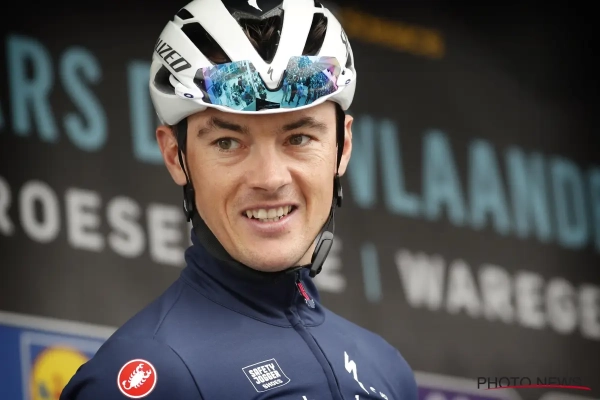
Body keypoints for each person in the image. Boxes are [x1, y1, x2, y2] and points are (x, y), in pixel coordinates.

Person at [60, 0, 417, 399]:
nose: (270, 179)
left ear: (343, 146)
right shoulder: (147, 376)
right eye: (227, 142)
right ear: (175, 157)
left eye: (299, 138)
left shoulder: (388, 369)